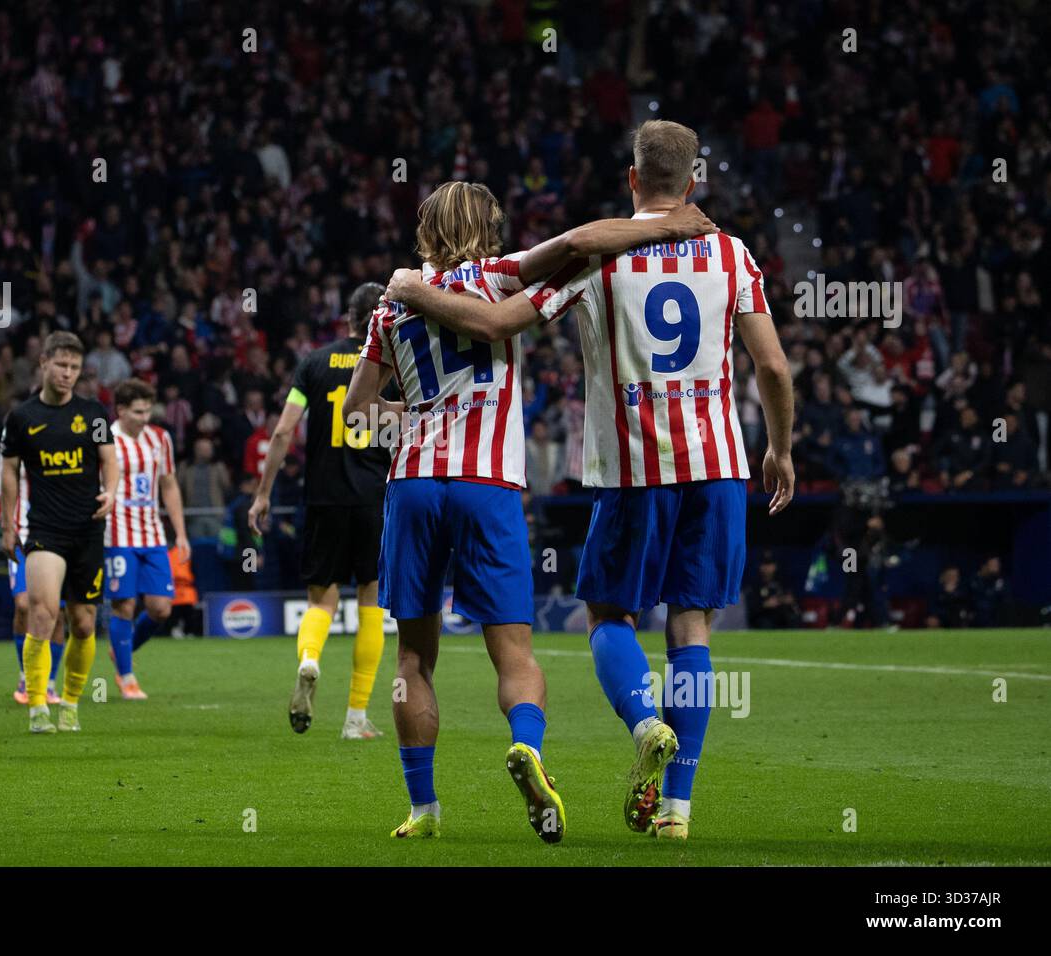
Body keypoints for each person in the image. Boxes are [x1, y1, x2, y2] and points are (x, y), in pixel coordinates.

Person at [385, 120, 794, 842]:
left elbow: (499, 320)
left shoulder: (595, 264)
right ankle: (677, 808)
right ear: (693, 180)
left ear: (632, 180)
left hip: (632, 468)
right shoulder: (733, 253)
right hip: (722, 466)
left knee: (609, 617)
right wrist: (781, 450)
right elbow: (773, 368)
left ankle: (642, 722)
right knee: (693, 626)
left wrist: (413, 292)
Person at [345, 179, 711, 841]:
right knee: (514, 656)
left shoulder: (389, 307)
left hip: (414, 483)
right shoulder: (499, 279)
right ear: (487, 226)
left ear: (426, 231)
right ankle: (528, 749)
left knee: (412, 660)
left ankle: (423, 811)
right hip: (488, 483)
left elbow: (356, 413)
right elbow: (574, 243)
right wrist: (666, 225)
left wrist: (418, 412)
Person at [247, 282, 391, 741]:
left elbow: (284, 431)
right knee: (370, 603)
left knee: (320, 599)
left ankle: (310, 658)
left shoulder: (313, 363)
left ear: (347, 317)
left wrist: (264, 492)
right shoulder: (389, 364)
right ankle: (355, 718)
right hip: (373, 497)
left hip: (323, 498)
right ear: (379, 318)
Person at [0, 332, 119, 734]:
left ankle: (69, 703)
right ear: (44, 363)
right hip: (45, 529)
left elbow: (109, 459)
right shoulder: (22, 418)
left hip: (87, 530)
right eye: (61, 365)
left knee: (83, 623)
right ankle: (36, 707)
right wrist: (8, 524)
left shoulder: (95, 414)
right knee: (43, 613)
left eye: (74, 368)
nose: (68, 374)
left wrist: (113, 490)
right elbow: (9, 474)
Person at [104, 378, 190, 699]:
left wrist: (180, 532)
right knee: (123, 604)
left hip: (152, 533)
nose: (144, 418)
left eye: (147, 411)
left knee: (161, 609)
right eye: (138, 412)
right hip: (117, 534)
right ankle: (127, 677)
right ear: (121, 410)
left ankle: (121, 649)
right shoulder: (106, 439)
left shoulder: (160, 438)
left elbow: (168, 484)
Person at [0, 445, 65, 705]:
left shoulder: (69, 430)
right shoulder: (15, 433)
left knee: (59, 613)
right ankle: (26, 675)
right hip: (23, 539)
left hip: (58, 536)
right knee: (24, 605)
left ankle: (48, 683)